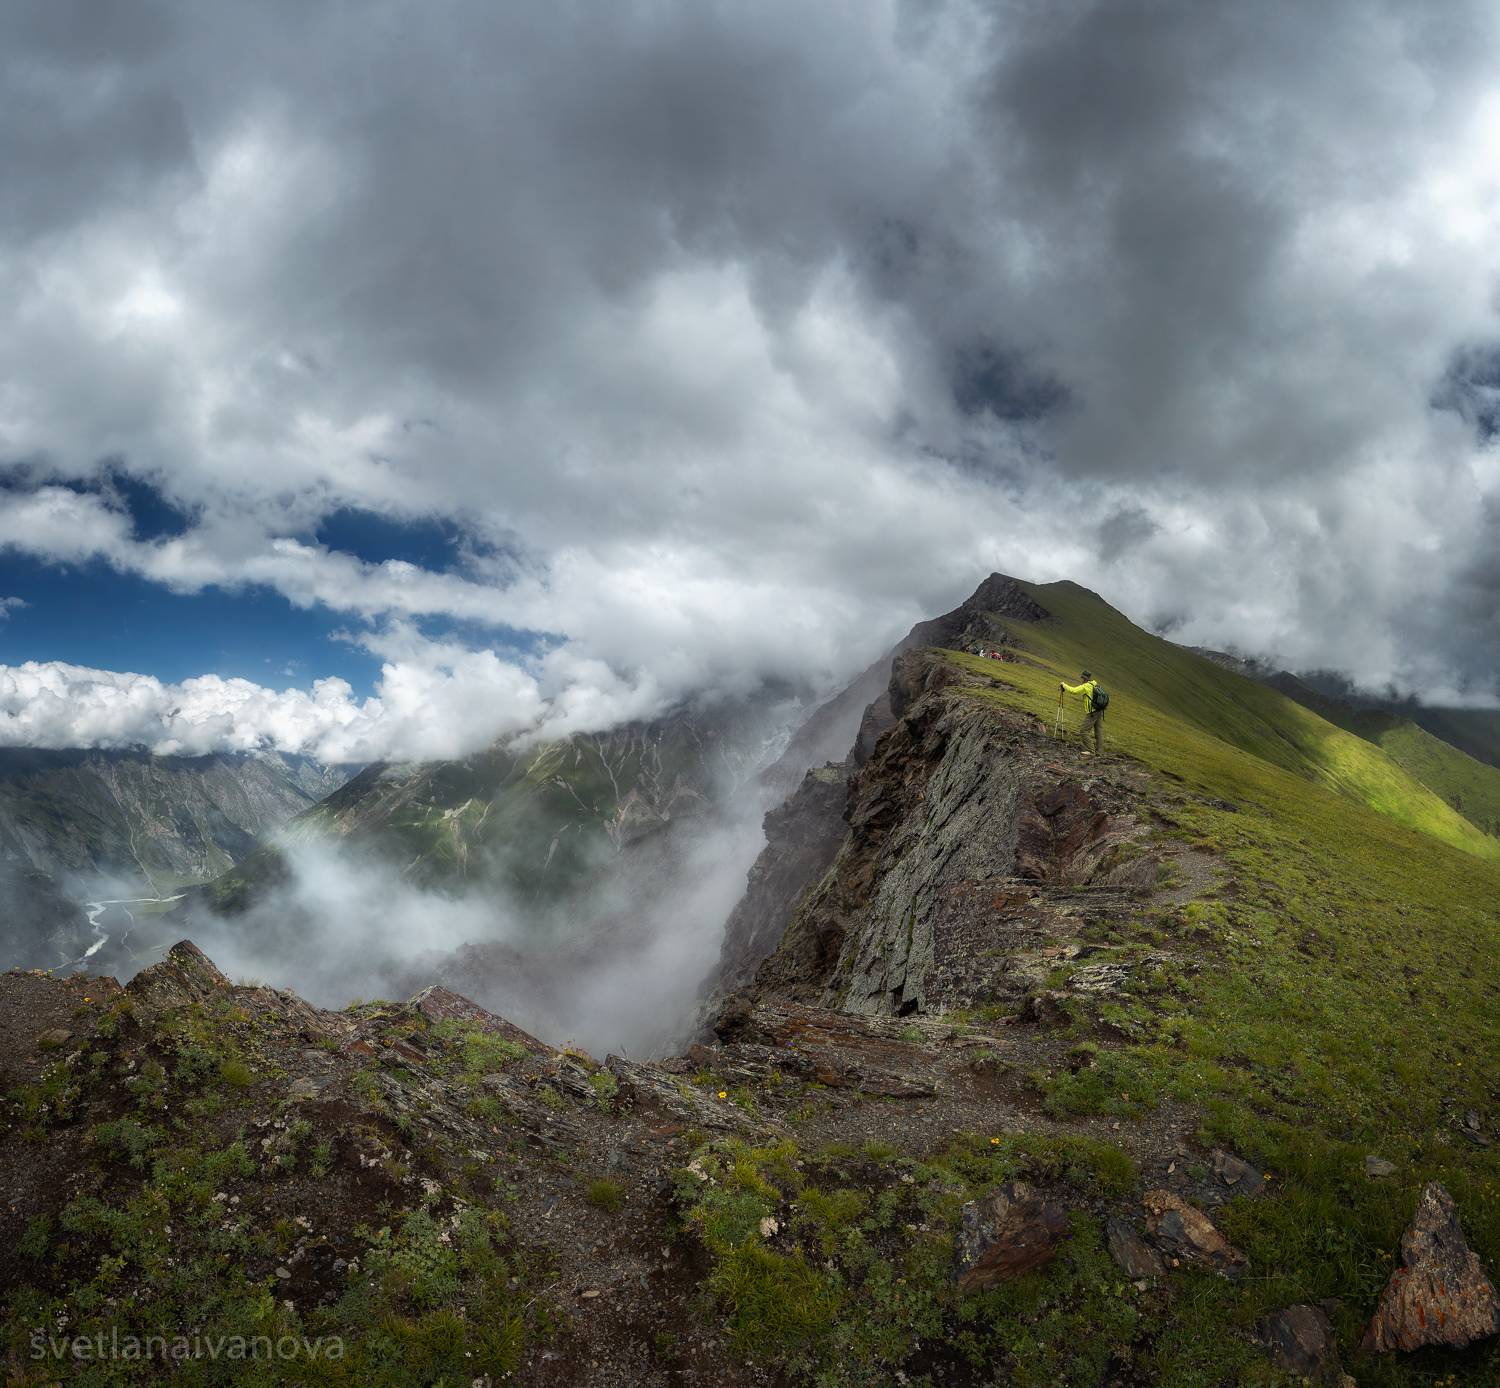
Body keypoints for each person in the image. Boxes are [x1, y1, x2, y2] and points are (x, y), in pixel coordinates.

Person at [1059, 669, 1103, 756]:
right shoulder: (1094, 684)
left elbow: (1073, 691)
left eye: (1082, 678)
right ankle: (1100, 752)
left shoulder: (1086, 686)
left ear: (1084, 678)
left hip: (1092, 712)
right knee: (1098, 731)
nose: (1081, 679)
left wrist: (1063, 685)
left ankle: (1090, 751)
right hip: (1099, 710)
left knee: (1083, 731)